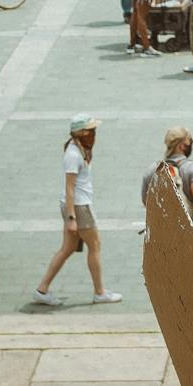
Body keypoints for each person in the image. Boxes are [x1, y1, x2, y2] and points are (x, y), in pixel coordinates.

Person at [32, 116, 123, 305]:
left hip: (77, 205)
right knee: (95, 245)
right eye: (91, 131)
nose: (94, 134)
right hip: (80, 207)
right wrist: (71, 218)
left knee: (68, 248)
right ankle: (100, 292)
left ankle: (42, 289)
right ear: (82, 133)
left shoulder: (79, 150)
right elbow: (70, 188)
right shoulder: (73, 155)